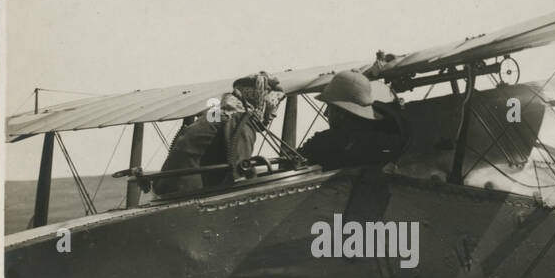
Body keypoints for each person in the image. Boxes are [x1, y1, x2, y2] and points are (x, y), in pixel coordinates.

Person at [153, 71, 281, 199]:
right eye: (272, 104)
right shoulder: (240, 119)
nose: (274, 113)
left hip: (167, 189)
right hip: (188, 195)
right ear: (259, 100)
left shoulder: (218, 113)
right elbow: (240, 171)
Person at [300, 70, 408, 171]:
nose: (326, 113)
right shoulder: (387, 142)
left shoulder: (322, 143)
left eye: (330, 108)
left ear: (341, 113)